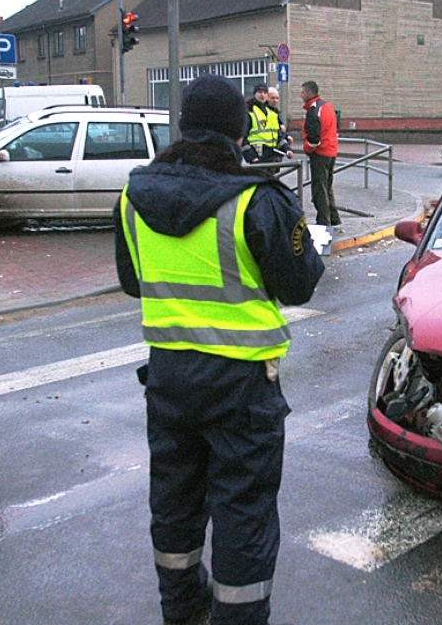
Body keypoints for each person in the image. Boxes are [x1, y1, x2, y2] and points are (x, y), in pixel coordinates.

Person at [114, 73, 325, 625]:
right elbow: (301, 283)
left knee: (175, 502)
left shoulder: (133, 196)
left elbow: (132, 282)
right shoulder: (255, 199)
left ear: (184, 125)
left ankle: (182, 611)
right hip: (242, 387)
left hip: (168, 379)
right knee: (243, 513)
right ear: (237, 132)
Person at [300, 80, 340, 226]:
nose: (301, 95)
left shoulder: (313, 110)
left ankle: (324, 221)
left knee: (319, 188)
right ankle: (334, 217)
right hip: (331, 150)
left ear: (310, 93)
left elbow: (313, 138)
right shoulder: (327, 106)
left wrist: (307, 149)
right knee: (327, 186)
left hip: (320, 153)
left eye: (303, 92)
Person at [243, 83, 283, 164]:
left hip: (271, 155)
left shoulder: (271, 111)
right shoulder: (249, 110)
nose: (263, 95)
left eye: (265, 93)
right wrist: (251, 156)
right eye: (260, 92)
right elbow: (242, 136)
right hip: (257, 156)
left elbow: (278, 135)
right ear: (255, 94)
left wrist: (287, 149)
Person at [266, 86, 293, 159]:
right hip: (266, 153)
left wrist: (287, 137)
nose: (275, 100)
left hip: (277, 151)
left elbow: (279, 132)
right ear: (267, 98)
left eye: (277, 98)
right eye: (272, 98)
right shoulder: (264, 113)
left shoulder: (277, 112)